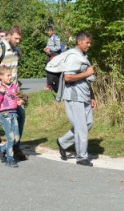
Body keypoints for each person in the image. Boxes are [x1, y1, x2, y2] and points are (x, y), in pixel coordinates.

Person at [0, 25, 28, 161]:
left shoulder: (16, 50)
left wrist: (18, 91)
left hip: (14, 91)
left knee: (20, 115)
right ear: (9, 35)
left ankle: (15, 147)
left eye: (19, 39)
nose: (18, 41)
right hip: (1, 93)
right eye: (16, 38)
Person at [56, 31, 96, 167]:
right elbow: (68, 77)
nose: (89, 45)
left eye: (90, 42)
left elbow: (86, 79)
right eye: (87, 42)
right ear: (79, 42)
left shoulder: (83, 56)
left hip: (84, 95)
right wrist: (87, 73)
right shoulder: (73, 57)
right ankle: (81, 157)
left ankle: (63, 142)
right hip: (74, 96)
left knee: (89, 123)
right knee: (81, 127)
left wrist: (92, 95)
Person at [0, 66, 23, 168]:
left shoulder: (14, 86)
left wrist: (20, 101)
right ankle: (10, 159)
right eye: (8, 75)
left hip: (14, 113)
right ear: (0, 76)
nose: (11, 77)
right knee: (10, 137)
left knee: (16, 138)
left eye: (11, 75)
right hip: (4, 114)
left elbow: (19, 96)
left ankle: (2, 149)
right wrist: (1, 92)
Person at [44, 26, 63, 90]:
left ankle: (52, 85)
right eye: (47, 31)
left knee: (53, 70)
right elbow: (48, 46)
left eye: (49, 31)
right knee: (48, 69)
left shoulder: (56, 37)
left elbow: (59, 47)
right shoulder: (49, 38)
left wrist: (50, 49)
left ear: (52, 31)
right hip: (50, 55)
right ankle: (50, 85)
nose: (48, 32)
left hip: (55, 55)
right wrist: (46, 49)